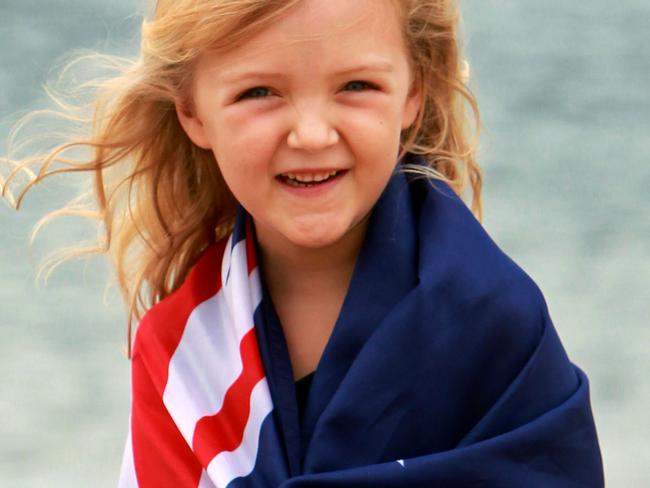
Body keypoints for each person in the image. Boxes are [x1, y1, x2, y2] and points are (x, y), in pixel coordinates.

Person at [2, 0, 604, 486]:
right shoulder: (180, 352)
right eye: (259, 92)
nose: (312, 134)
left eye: (357, 85)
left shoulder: (494, 322)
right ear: (192, 110)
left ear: (412, 94)